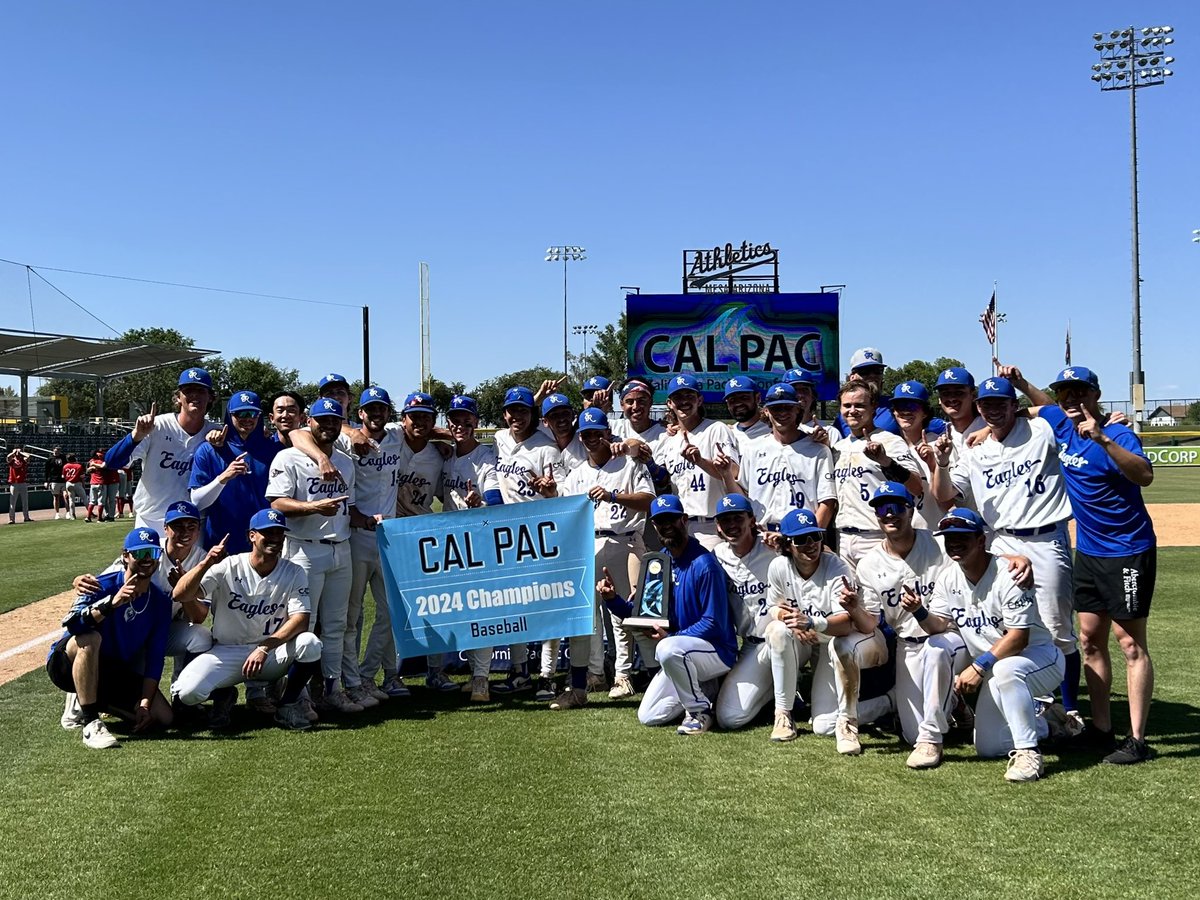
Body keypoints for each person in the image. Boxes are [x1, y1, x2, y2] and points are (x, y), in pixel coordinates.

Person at [1002, 364, 1157, 764]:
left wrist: (1103, 438)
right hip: (1088, 551)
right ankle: (1101, 730)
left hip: (1128, 551)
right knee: (1089, 640)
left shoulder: (1119, 434)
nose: (1072, 398)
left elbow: (1144, 476)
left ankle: (1137, 739)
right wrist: (1021, 385)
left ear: (1096, 393)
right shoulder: (1062, 423)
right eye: (1065, 392)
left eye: (1080, 391)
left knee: (1130, 643)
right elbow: (1045, 406)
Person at [930, 375, 1080, 728]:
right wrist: (942, 462)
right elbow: (944, 496)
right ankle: (1030, 703)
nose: (993, 409)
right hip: (999, 540)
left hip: (1044, 538)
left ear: (1014, 405)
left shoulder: (1041, 430)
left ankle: (1070, 709)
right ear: (978, 407)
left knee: (1057, 628)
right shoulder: (975, 448)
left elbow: (1058, 412)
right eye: (987, 403)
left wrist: (1024, 392)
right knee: (1003, 625)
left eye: (1001, 402)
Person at [912, 508, 1066, 782]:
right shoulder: (950, 577)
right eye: (949, 538)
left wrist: (979, 666)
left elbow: (1019, 637)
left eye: (962, 536)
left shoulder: (1010, 574)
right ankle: (1047, 722)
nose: (955, 543)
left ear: (981, 540)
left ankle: (1028, 753)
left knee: (1008, 669)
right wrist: (918, 611)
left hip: (1040, 659)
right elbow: (938, 626)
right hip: (997, 666)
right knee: (988, 747)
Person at [171, 509, 324, 731]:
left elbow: (301, 620)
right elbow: (180, 595)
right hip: (228, 650)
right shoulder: (229, 565)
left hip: (271, 652)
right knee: (187, 693)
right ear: (252, 535)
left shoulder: (293, 571)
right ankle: (224, 693)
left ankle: (287, 704)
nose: (274, 538)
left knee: (309, 643)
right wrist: (206, 563)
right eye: (267, 532)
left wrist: (264, 647)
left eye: (278, 533)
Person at [600, 494, 737, 736]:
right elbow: (644, 614)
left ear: (684, 521)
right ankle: (703, 688)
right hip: (681, 652)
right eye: (660, 521)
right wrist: (613, 601)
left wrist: (671, 636)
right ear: (654, 525)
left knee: (667, 649)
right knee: (649, 715)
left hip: (717, 651)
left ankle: (699, 711)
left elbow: (713, 622)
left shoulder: (704, 563)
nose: (666, 526)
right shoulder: (659, 562)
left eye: (672, 520)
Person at [546, 408, 655, 709]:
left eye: (597, 432)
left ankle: (629, 675)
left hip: (625, 540)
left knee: (629, 614)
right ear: (580, 437)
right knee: (583, 618)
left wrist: (613, 496)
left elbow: (650, 501)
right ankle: (581, 685)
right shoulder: (577, 473)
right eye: (586, 434)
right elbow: (565, 515)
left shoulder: (629, 463)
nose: (592, 438)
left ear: (608, 432)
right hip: (588, 545)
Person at [68, 501, 214, 715]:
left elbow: (199, 616)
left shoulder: (202, 560)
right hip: (130, 629)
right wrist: (80, 580)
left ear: (198, 530)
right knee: (98, 654)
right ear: (166, 528)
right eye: (177, 526)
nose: (185, 532)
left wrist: (183, 591)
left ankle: (183, 696)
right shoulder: (149, 551)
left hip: (164, 630)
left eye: (191, 527)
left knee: (201, 637)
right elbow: (107, 580)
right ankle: (80, 697)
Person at [765, 507, 891, 755]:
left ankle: (889, 702)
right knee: (777, 630)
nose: (810, 544)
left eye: (815, 536)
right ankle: (783, 713)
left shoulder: (836, 567)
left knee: (823, 726)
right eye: (801, 539)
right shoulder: (779, 566)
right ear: (787, 544)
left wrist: (812, 623)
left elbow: (846, 624)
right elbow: (773, 606)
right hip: (809, 638)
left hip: (843, 639)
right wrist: (788, 618)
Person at [266, 396, 362, 715]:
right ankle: (300, 692)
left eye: (335, 420)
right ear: (310, 422)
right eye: (323, 420)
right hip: (303, 548)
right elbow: (277, 503)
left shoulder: (346, 462)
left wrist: (375, 520)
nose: (329, 425)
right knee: (305, 624)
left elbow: (352, 507)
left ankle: (332, 688)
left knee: (336, 624)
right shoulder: (289, 458)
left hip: (341, 547)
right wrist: (312, 507)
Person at [47, 527, 175, 749]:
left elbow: (155, 658)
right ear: (125, 556)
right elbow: (72, 623)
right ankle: (90, 722)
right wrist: (111, 604)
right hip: (66, 662)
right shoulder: (100, 585)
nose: (146, 560)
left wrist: (144, 704)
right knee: (91, 637)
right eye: (140, 553)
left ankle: (87, 696)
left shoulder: (160, 602)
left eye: (152, 554)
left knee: (164, 718)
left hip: (112, 670)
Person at [491, 385, 561, 693]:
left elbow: (563, 495)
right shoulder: (499, 439)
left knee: (547, 606)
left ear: (532, 414)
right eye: (511, 410)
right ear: (504, 414)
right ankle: (518, 671)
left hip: (541, 533)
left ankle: (547, 674)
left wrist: (551, 491)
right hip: (508, 536)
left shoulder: (547, 448)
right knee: (513, 605)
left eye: (523, 410)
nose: (516, 416)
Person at [710, 494, 797, 739]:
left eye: (738, 518)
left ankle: (785, 714)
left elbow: (822, 556)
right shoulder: (717, 556)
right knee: (729, 718)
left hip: (792, 639)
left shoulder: (773, 548)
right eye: (725, 520)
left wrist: (788, 546)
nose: (732, 525)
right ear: (717, 526)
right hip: (752, 646)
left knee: (778, 632)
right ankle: (774, 689)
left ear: (752, 520)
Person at [440, 394, 503, 702]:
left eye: (467, 419)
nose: (461, 424)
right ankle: (449, 673)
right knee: (456, 610)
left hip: (478, 539)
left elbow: (495, 497)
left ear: (477, 422)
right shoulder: (447, 456)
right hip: (452, 542)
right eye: (455, 419)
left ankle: (481, 679)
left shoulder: (485, 456)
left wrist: (481, 501)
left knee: (483, 612)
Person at [104, 367, 219, 534]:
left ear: (210, 397)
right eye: (188, 390)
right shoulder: (156, 426)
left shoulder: (216, 433)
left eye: (200, 390)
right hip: (151, 520)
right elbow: (112, 462)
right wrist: (136, 436)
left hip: (193, 522)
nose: (194, 395)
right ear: (178, 398)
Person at [830, 380, 923, 569]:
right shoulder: (838, 447)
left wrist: (886, 461)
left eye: (860, 405)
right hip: (843, 537)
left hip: (877, 536)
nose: (852, 410)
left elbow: (916, 486)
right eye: (847, 405)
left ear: (874, 407)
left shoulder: (890, 441)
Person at [728, 382, 836, 532]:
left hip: (801, 534)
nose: (782, 412)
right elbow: (744, 494)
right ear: (766, 411)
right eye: (776, 408)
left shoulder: (819, 450)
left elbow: (828, 502)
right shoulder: (752, 449)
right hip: (762, 534)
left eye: (788, 407)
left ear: (798, 409)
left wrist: (812, 538)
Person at [652, 374, 741, 550]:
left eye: (689, 396)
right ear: (670, 403)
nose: (684, 401)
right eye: (678, 397)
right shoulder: (668, 441)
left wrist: (700, 461)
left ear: (699, 400)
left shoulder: (716, 429)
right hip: (679, 527)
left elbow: (734, 473)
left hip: (712, 526)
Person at [190, 390, 281, 556]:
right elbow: (197, 502)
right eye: (240, 413)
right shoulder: (209, 449)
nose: (247, 418)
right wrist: (224, 477)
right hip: (220, 545)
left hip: (264, 543)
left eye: (253, 413)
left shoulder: (273, 449)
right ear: (229, 415)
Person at [890, 381, 946, 531]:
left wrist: (934, 465)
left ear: (925, 412)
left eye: (913, 406)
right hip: (899, 536)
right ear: (894, 411)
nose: (906, 411)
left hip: (933, 534)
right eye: (900, 406)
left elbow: (947, 500)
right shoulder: (889, 447)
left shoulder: (939, 445)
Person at [723, 375, 770, 457]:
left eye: (744, 397)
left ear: (758, 398)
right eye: (732, 400)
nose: (738, 403)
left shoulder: (773, 430)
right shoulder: (728, 434)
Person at [85, 449, 116, 523]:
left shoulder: (91, 461)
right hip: (101, 483)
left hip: (92, 483)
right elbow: (103, 466)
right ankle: (99, 518)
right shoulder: (102, 461)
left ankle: (88, 517)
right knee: (101, 502)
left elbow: (87, 471)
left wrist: (91, 467)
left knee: (92, 501)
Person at [6, 445, 31, 523]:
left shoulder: (23, 460)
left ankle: (26, 517)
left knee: (25, 502)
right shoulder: (12, 460)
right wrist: (13, 452)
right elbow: (8, 457)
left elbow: (29, 456)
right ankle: (11, 519)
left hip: (23, 483)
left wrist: (21, 452)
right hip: (14, 483)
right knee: (12, 503)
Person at [45, 446, 67, 520]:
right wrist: (46, 481)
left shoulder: (64, 458)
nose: (57, 452)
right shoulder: (50, 459)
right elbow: (47, 471)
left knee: (66, 496)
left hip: (63, 480)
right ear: (53, 451)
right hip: (54, 480)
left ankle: (68, 512)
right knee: (56, 497)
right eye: (55, 451)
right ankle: (57, 513)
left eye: (58, 451)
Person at [61, 453, 85, 519]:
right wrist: (83, 485)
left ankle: (72, 515)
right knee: (85, 498)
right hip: (77, 483)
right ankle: (90, 512)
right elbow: (82, 477)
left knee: (71, 500)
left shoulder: (65, 466)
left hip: (68, 483)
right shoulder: (78, 466)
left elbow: (63, 477)